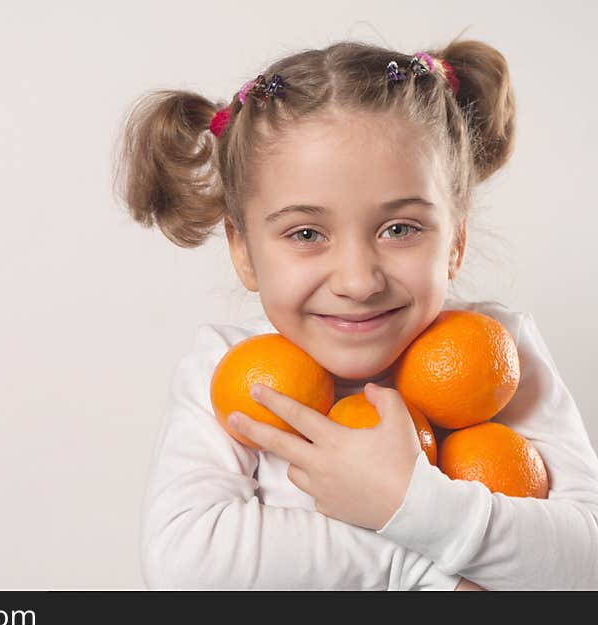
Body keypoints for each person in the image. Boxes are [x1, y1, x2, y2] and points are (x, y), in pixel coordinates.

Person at [112, 37, 598, 589]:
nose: (358, 281)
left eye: (400, 229)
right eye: (307, 233)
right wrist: (415, 556)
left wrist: (411, 503)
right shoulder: (229, 373)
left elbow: (587, 565)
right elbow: (184, 565)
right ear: (243, 251)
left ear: (456, 240)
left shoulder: (504, 352)